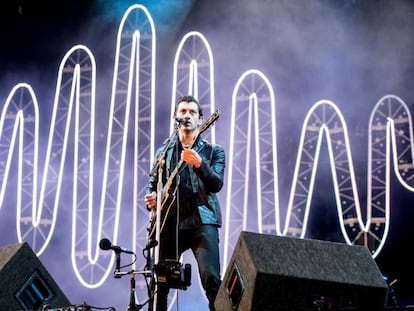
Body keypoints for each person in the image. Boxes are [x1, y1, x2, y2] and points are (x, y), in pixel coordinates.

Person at [144, 95, 225, 311]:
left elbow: (217, 184)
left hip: (202, 222)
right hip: (170, 225)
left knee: (212, 280)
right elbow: (153, 185)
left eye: (192, 112)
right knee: (159, 283)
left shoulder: (213, 152)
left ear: (200, 119)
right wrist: (151, 198)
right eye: (183, 112)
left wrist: (200, 165)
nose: (187, 115)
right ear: (175, 117)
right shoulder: (163, 152)